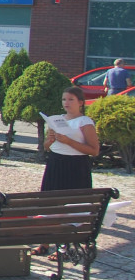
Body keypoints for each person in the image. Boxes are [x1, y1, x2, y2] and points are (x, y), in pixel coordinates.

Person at [34, 86, 100, 258]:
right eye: (64, 99)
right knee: (49, 203)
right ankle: (44, 243)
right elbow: (48, 147)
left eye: (71, 99)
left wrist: (69, 141)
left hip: (76, 165)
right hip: (56, 163)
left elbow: (94, 150)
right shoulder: (57, 120)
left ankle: (64, 248)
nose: (67, 103)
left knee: (71, 206)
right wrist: (50, 140)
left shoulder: (84, 122)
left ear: (81, 102)